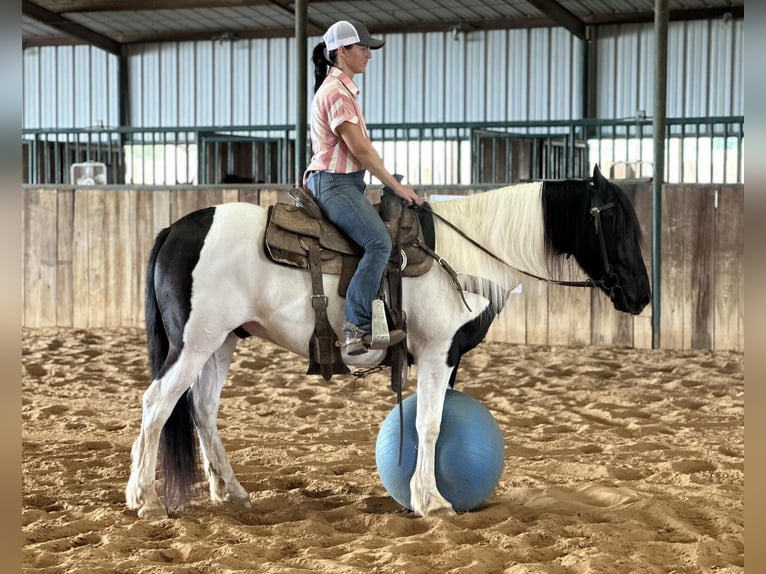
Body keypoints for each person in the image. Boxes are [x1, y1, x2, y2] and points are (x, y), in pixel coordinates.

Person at [304, 19, 422, 356]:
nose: (369, 54)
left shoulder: (340, 90)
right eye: (363, 48)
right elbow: (360, 151)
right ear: (342, 51)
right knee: (378, 242)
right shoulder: (337, 94)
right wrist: (396, 187)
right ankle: (357, 326)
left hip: (344, 184)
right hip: (335, 184)